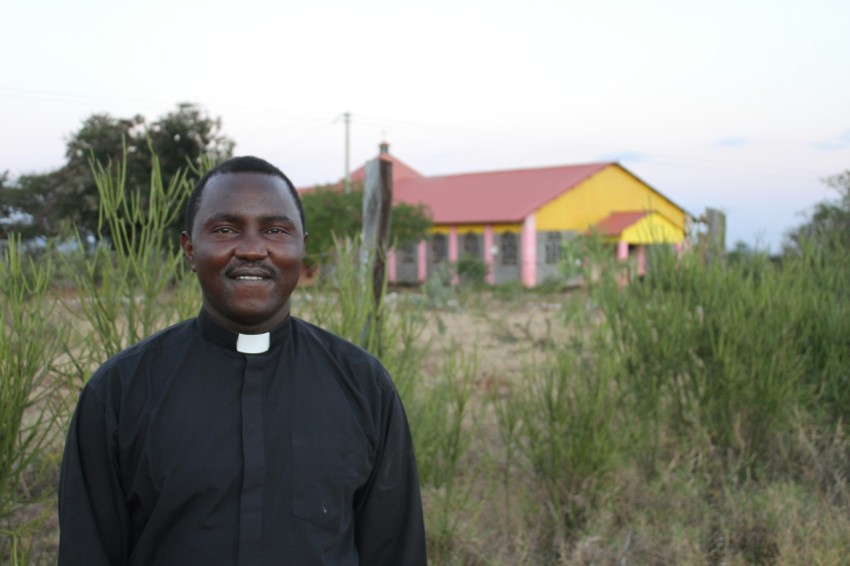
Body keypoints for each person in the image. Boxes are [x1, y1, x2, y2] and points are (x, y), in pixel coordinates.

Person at [58, 156, 427, 565]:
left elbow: (396, 551)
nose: (252, 249)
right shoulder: (119, 392)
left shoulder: (363, 385)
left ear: (302, 247)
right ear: (189, 249)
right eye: (225, 229)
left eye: (275, 230)